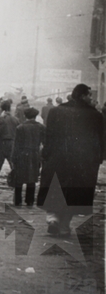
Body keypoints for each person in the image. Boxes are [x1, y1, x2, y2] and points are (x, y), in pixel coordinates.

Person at [37, 84, 104, 237]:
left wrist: (46, 154)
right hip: (83, 161)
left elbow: (50, 135)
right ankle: (65, 225)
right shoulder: (95, 115)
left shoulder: (56, 111)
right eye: (89, 95)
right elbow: (100, 139)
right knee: (76, 192)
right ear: (82, 96)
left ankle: (52, 217)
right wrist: (98, 158)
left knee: (54, 186)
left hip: (58, 157)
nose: (91, 98)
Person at [11, 107, 45, 207]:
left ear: (25, 116)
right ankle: (29, 201)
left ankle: (17, 201)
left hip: (22, 154)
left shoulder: (20, 127)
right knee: (32, 177)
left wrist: (13, 158)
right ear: (35, 116)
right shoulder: (41, 127)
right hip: (35, 154)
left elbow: (16, 145)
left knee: (19, 178)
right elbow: (45, 143)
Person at [0, 101, 19, 186]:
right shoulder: (15, 119)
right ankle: (14, 181)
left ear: (1, 108)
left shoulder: (1, 119)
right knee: (12, 163)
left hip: (1, 143)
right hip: (12, 143)